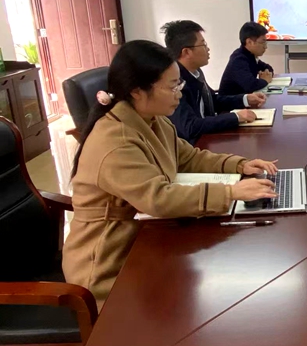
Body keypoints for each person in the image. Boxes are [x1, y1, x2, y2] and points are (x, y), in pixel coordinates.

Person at [62, 40, 278, 308]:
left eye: (180, 84)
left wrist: (239, 165)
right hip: (108, 264)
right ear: (137, 91)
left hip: (142, 239)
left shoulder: (153, 120)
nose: (179, 93)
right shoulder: (115, 141)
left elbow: (188, 157)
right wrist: (230, 192)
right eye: (172, 86)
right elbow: (157, 198)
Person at [162, 20, 266, 144]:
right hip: (192, 146)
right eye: (203, 44)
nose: (208, 49)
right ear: (187, 52)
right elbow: (189, 126)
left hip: (208, 137)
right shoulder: (174, 82)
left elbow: (213, 101)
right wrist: (236, 117)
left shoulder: (195, 72)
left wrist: (245, 99)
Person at [219, 22, 274, 95]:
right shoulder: (239, 59)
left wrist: (267, 74)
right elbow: (251, 85)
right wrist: (265, 80)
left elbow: (268, 68)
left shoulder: (250, 55)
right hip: (231, 101)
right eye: (262, 42)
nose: (265, 47)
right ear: (249, 42)